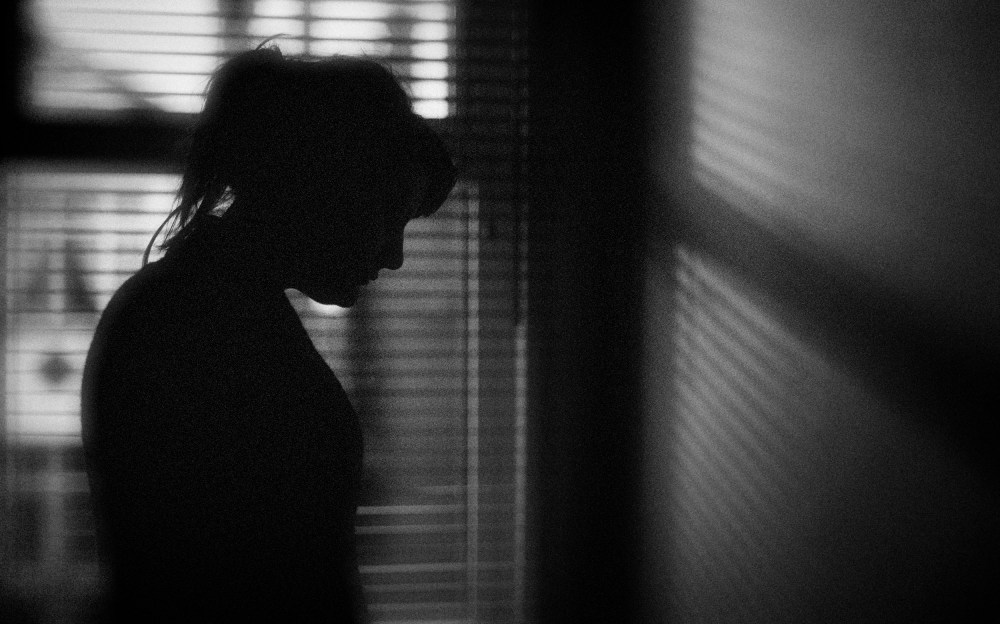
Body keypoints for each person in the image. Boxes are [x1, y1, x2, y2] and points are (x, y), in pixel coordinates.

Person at [80, 45, 457, 623]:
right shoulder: (192, 327)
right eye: (387, 217)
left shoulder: (206, 307)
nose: (396, 255)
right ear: (326, 190)